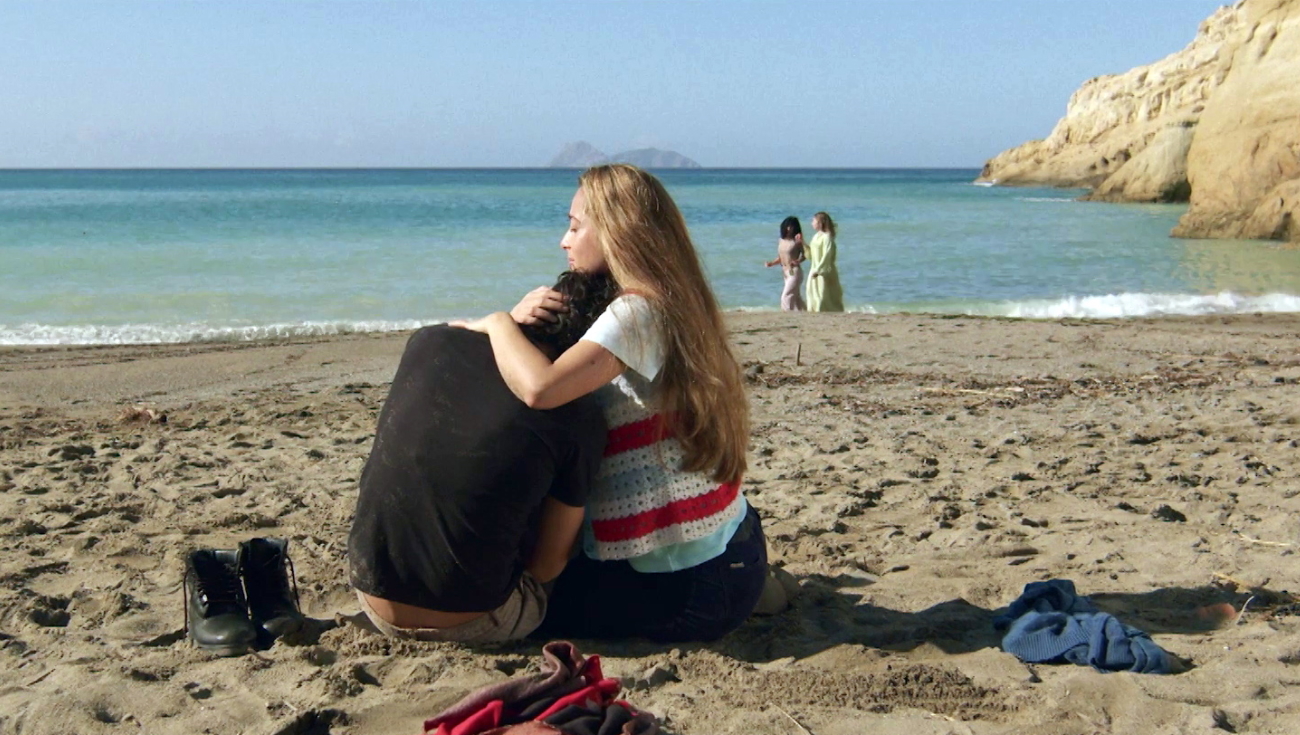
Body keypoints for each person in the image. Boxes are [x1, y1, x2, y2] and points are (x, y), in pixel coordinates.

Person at [453, 163, 768, 642]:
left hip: (689, 587)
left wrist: (498, 322)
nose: (564, 241)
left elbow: (541, 389)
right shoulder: (670, 300)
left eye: (575, 227)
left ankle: (748, 595)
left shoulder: (636, 312)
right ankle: (761, 589)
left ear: (617, 232)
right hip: (730, 543)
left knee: (524, 613)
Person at [347, 270, 617, 643]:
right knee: (571, 520)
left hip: (371, 594)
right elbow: (546, 566)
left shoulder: (429, 341)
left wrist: (501, 322)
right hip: (475, 619)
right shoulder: (580, 414)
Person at [805, 211, 844, 312]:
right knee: (812, 293)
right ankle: (814, 311)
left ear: (820, 222)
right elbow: (811, 256)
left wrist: (818, 269)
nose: (812, 223)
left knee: (824, 295)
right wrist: (803, 244)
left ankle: (828, 312)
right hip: (814, 269)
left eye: (813, 221)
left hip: (824, 271)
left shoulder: (827, 237)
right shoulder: (816, 236)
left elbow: (827, 255)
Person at [764, 216, 805, 311]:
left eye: (792, 226)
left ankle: (787, 314)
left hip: (794, 271)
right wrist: (771, 263)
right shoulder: (781, 240)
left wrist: (798, 261)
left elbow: (806, 254)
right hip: (785, 272)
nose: (789, 228)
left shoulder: (797, 241)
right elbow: (781, 257)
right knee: (796, 297)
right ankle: (804, 313)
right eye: (788, 226)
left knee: (786, 296)